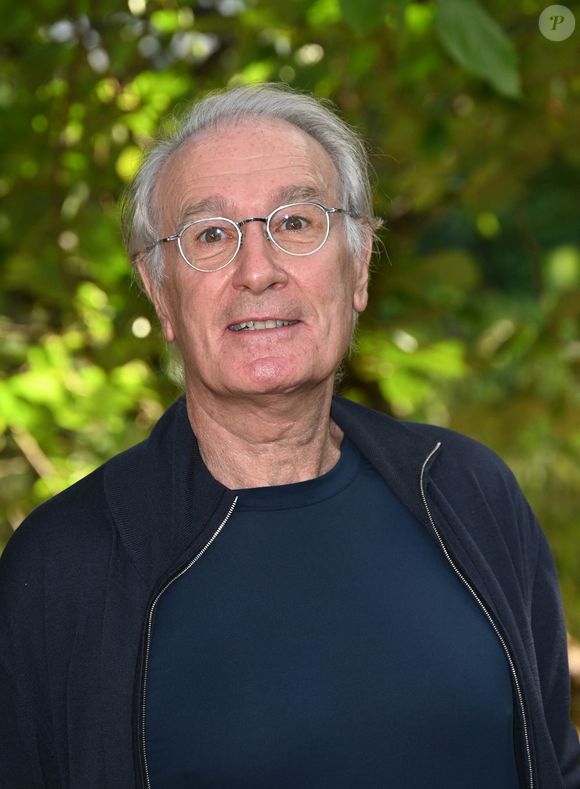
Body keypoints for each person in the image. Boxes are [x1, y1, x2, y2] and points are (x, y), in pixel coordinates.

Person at [0, 83, 578, 789]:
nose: (257, 270)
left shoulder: (467, 491)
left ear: (359, 265)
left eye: (295, 223)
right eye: (210, 235)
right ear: (161, 293)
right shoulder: (65, 567)